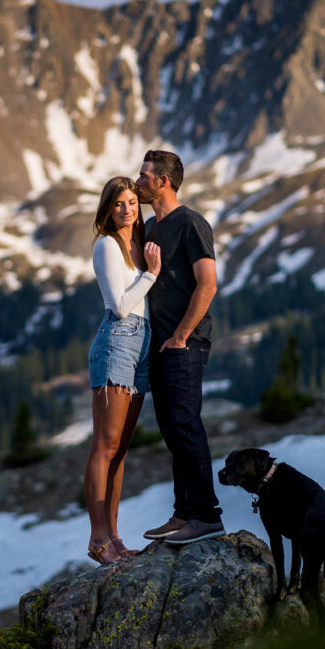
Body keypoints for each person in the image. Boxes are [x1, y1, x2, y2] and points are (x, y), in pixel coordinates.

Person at [135, 149, 224, 545]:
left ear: (163, 181)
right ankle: (184, 513)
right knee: (172, 429)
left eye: (144, 176)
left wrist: (182, 335)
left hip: (184, 343)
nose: (138, 182)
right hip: (160, 344)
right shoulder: (151, 226)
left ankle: (206, 516)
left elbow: (208, 283)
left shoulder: (191, 223)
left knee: (186, 426)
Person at [84, 176, 162, 565]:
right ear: (108, 209)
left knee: (121, 449)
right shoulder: (107, 245)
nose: (127, 209)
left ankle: (114, 536)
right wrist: (151, 274)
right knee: (105, 445)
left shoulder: (140, 243)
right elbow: (119, 306)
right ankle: (98, 538)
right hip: (117, 340)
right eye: (118, 204)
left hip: (142, 343)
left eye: (132, 202)